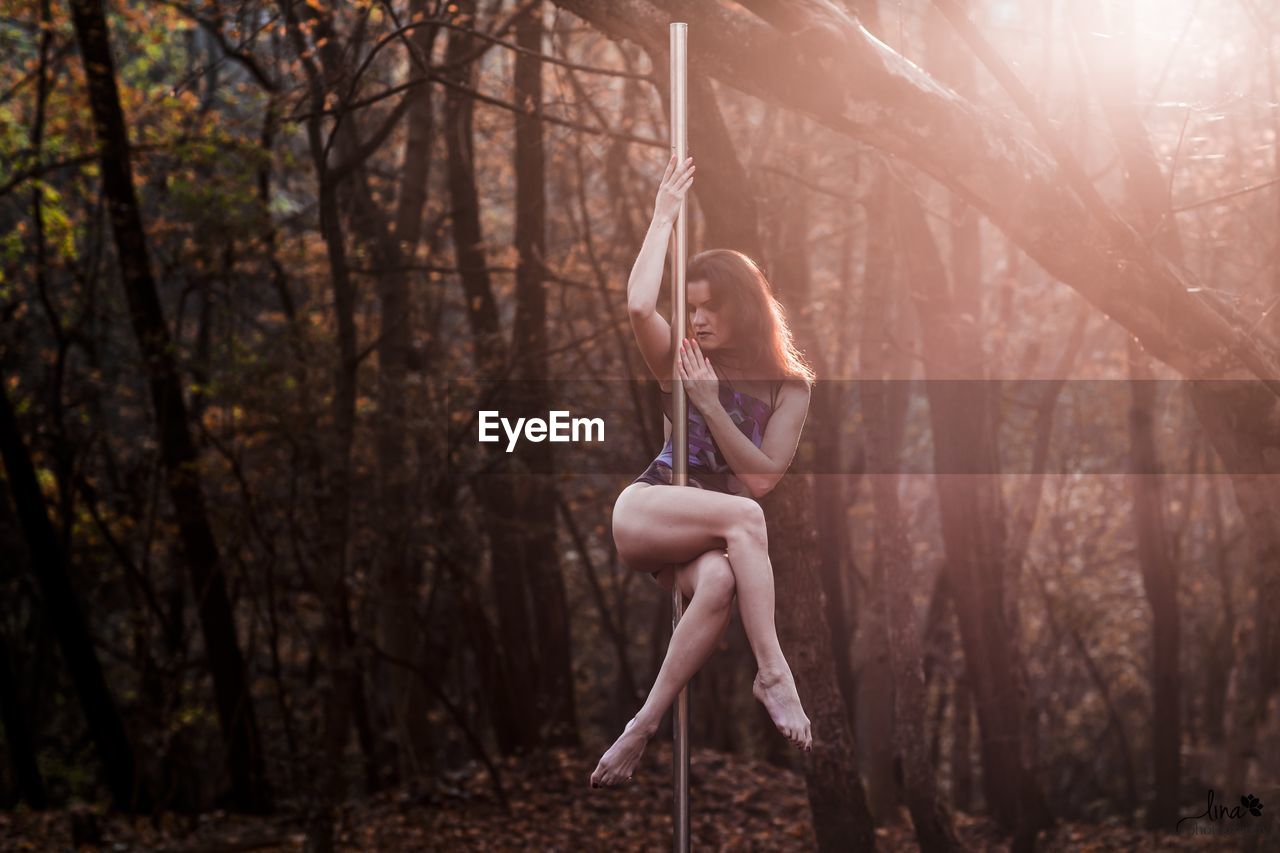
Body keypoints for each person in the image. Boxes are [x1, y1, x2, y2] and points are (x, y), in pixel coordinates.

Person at [590, 153, 816, 789]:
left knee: (718, 580)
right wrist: (663, 216)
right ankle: (772, 671)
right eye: (691, 307)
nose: (698, 320)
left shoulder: (788, 387)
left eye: (712, 307)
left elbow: (765, 477)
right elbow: (639, 308)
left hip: (706, 535)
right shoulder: (681, 359)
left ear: (745, 307)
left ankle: (640, 727)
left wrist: (712, 404)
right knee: (744, 519)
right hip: (649, 510)